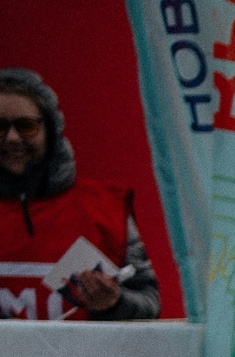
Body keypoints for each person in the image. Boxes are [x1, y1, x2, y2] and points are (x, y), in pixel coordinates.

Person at [0, 68, 160, 322]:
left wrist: (115, 303)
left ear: (50, 130)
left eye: (26, 127)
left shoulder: (105, 209)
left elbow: (151, 304)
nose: (11, 138)